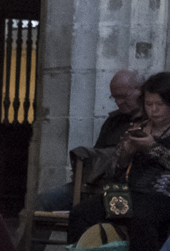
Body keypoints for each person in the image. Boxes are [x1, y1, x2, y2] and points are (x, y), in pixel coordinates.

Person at [68, 71, 170, 251]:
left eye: (160, 104)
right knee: (82, 213)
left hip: (167, 198)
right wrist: (125, 154)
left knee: (140, 217)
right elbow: (112, 171)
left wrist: (152, 148)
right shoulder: (139, 127)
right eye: (149, 104)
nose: (154, 110)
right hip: (129, 193)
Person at [35, 69, 145, 211]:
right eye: (115, 97)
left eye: (123, 96)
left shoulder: (151, 122)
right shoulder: (113, 121)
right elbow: (97, 156)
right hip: (95, 184)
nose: (118, 102)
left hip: (126, 187)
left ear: (140, 91)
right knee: (40, 202)